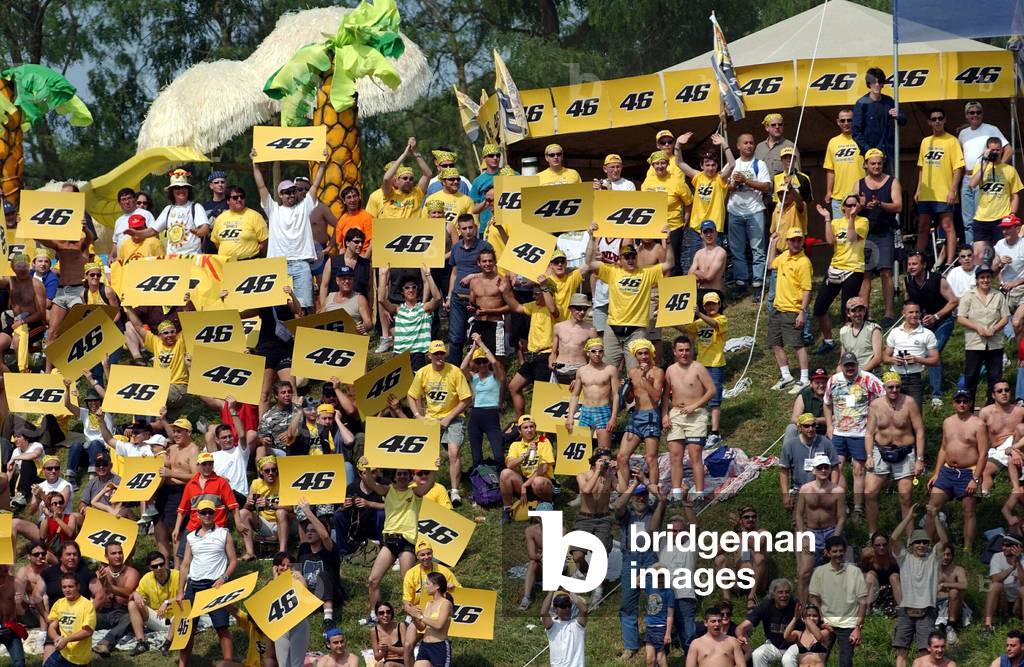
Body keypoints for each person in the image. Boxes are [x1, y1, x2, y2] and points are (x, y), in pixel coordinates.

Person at [251, 147, 327, 311]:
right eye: (286, 192)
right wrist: (255, 164)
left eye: (293, 191)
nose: (291, 195)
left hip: (301, 265)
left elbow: (315, 186)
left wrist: (322, 164)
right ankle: (284, 337)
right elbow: (262, 187)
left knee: (305, 307)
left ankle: (303, 337)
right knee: (281, 308)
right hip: (279, 266)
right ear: (280, 195)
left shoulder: (304, 207)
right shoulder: (273, 209)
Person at [583, 234, 674, 369]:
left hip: (636, 330)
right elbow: (589, 262)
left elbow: (670, 263)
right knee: (608, 370)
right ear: (620, 259)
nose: (630, 260)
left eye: (633, 256)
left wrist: (669, 241)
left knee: (635, 372)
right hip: (613, 328)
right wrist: (591, 238)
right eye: (626, 257)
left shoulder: (646, 273)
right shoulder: (612, 271)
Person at [362, 467, 436, 626]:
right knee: (373, 580)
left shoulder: (415, 492)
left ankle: (411, 616)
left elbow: (429, 483)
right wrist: (367, 467)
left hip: (407, 542)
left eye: (405, 474)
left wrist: (434, 468)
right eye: (399, 474)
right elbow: (369, 481)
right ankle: (374, 615)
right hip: (389, 541)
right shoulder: (388, 490)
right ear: (394, 477)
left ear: (409, 476)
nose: (402, 476)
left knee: (408, 582)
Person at [407, 340, 472, 505]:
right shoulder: (422, 373)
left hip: (454, 416)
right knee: (424, 454)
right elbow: (411, 395)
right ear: (429, 356)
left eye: (442, 353)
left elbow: (466, 399)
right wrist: (417, 415)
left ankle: (455, 491)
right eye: (435, 354)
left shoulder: (455, 372)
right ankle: (422, 487)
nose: (439, 357)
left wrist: (449, 418)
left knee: (453, 452)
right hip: (431, 418)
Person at [176, 499, 237, 666]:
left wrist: (223, 578)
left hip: (214, 586)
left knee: (222, 627)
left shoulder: (224, 533)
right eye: (204, 512)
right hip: (193, 586)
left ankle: (228, 663)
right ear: (198, 514)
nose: (207, 515)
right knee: (187, 629)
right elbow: (185, 565)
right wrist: (180, 591)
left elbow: (233, 561)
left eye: (210, 512)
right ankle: (182, 664)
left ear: (215, 513)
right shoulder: (190, 537)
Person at [865, 372, 926, 535]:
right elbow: (869, 433)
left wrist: (920, 459)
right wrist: (869, 456)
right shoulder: (876, 405)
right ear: (884, 387)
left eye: (897, 387)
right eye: (890, 387)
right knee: (869, 492)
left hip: (904, 452)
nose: (894, 390)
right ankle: (872, 534)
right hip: (880, 450)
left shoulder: (909, 403)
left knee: (905, 497)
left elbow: (919, 431)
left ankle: (910, 536)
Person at [926, 388, 988, 550]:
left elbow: (983, 454)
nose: (962, 404)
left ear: (970, 403)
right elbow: (943, 448)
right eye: (958, 401)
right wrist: (936, 473)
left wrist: (975, 478)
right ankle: (926, 545)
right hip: (947, 470)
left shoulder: (978, 424)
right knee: (932, 508)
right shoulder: (947, 422)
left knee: (968, 511)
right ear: (953, 403)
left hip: (969, 471)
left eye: (965, 401)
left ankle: (967, 549)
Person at [823, 351, 883, 517]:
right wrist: (829, 425)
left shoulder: (868, 379)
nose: (850, 368)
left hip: (861, 432)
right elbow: (827, 403)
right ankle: (839, 503)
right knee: (837, 467)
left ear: (857, 365)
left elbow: (884, 398)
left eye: (852, 365)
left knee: (858, 469)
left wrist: (876, 423)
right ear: (841, 366)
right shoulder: (833, 380)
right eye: (846, 365)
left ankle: (858, 507)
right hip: (839, 432)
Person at [615, 475, 666, 662]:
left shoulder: (655, 511)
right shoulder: (626, 514)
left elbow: (662, 499)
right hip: (630, 559)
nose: (640, 498)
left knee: (655, 600)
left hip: (650, 558)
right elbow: (617, 506)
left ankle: (658, 641)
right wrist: (634, 485)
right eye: (637, 496)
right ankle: (630, 645)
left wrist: (644, 481)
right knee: (628, 604)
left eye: (643, 495)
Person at [890, 506, 948, 667]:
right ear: (911, 544)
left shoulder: (933, 559)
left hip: (927, 611)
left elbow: (944, 541)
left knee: (925, 653)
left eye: (924, 542)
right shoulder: (904, 557)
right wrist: (908, 517)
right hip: (906, 610)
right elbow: (893, 539)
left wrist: (935, 516)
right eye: (918, 542)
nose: (922, 545)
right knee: (902, 652)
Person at [662, 335, 716, 502]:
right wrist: (664, 414)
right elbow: (665, 395)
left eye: (687, 350)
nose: (684, 353)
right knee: (675, 455)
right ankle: (677, 494)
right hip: (676, 414)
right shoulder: (670, 370)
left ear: (692, 350)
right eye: (681, 350)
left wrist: (696, 405)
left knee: (695, 454)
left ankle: (699, 494)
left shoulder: (698, 367)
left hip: (696, 415)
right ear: (675, 352)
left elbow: (712, 390)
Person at [812, 198, 868, 356]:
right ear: (843, 207)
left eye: (854, 205)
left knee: (847, 310)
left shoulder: (863, 221)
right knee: (819, 307)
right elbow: (830, 241)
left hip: (853, 268)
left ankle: (848, 347)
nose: (851, 207)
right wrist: (827, 219)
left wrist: (851, 218)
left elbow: (851, 237)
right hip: (835, 267)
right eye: (848, 205)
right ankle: (828, 340)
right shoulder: (836, 222)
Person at [903, 252, 959, 406]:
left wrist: (936, 316)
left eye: (914, 264)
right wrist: (916, 317)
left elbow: (954, 301)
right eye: (909, 264)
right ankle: (912, 389)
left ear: (923, 265)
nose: (911, 267)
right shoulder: (907, 280)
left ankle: (937, 395)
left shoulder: (937, 279)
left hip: (943, 321)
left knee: (933, 352)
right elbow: (908, 303)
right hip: (923, 323)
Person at [674, 132, 734, 274]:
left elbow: (732, 164)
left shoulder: (721, 178)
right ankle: (694, 293)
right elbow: (679, 163)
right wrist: (677, 144)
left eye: (713, 165)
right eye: (707, 165)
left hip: (715, 228)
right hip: (696, 228)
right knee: (694, 264)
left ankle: (713, 294)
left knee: (714, 265)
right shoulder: (697, 177)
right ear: (702, 165)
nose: (710, 168)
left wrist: (725, 145)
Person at [915, 108, 965, 269]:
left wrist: (953, 190)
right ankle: (917, 261)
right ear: (929, 122)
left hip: (944, 193)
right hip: (927, 193)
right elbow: (921, 168)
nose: (937, 121)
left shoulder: (952, 141)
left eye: (940, 118)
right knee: (922, 227)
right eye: (934, 119)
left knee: (948, 227)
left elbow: (958, 168)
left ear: (944, 120)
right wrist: (918, 189)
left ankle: (949, 263)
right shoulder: (925, 141)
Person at [857, 148, 902, 327]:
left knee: (886, 272)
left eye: (879, 163)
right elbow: (851, 207)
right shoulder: (859, 184)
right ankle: (864, 312)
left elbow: (898, 206)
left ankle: (889, 312)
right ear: (866, 165)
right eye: (873, 163)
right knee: (866, 274)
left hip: (885, 231)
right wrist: (861, 206)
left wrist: (881, 204)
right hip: (866, 232)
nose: (876, 166)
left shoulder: (891, 181)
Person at [501, 276, 558, 417]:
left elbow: (553, 309)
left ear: (546, 293)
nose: (533, 296)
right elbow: (516, 307)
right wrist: (505, 292)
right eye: (533, 293)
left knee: (542, 395)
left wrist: (544, 286)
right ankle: (522, 422)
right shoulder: (534, 306)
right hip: (531, 356)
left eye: (536, 293)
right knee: (513, 386)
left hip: (545, 355)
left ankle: (543, 430)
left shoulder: (555, 308)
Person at [808, 536, 867, 667]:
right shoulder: (819, 572)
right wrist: (821, 620)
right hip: (826, 624)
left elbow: (863, 601)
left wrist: (858, 627)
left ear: (845, 551)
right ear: (828, 553)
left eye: (841, 551)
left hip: (848, 625)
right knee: (817, 660)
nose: (838, 554)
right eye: (834, 551)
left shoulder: (855, 572)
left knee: (845, 663)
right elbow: (813, 597)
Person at [960, 101, 1013, 247]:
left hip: (985, 176)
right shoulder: (963, 133)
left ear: (982, 114)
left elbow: (1008, 149)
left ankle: (987, 254)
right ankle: (970, 253)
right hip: (967, 177)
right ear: (966, 115)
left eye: (978, 112)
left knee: (981, 217)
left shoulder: (991, 129)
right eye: (971, 113)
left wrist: (999, 167)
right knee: (968, 221)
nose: (975, 115)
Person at [568, 448, 615, 608]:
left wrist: (618, 471)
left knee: (600, 555)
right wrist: (598, 472)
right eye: (602, 460)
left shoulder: (610, 476)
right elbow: (586, 490)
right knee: (577, 556)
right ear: (594, 461)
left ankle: (598, 589)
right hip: (584, 519)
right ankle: (588, 575)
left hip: (603, 519)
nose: (605, 463)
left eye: (607, 460)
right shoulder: (582, 475)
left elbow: (622, 488)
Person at [726, 132, 771, 301]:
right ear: (738, 146)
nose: (749, 146)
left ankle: (758, 284)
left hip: (755, 211)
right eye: (745, 143)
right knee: (737, 251)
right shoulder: (732, 165)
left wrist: (746, 181)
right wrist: (734, 184)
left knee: (757, 250)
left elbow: (766, 186)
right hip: (735, 212)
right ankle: (741, 284)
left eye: (751, 142)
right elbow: (723, 186)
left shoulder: (760, 164)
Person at [766, 228, 812, 393]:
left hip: (793, 309)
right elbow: (771, 264)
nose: (795, 243)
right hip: (778, 308)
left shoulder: (804, 262)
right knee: (775, 343)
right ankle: (786, 376)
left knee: (797, 345)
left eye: (798, 240)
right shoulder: (784, 256)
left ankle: (805, 379)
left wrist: (802, 311)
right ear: (787, 241)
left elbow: (807, 289)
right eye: (792, 240)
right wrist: (772, 243)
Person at [795, 454, 845, 603]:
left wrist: (834, 539)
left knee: (835, 570)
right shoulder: (805, 489)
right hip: (811, 531)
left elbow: (841, 517)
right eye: (820, 468)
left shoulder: (837, 491)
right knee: (804, 572)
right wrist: (802, 536)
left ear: (830, 470)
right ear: (814, 470)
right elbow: (799, 514)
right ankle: (802, 607)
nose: (823, 470)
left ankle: (836, 603)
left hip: (830, 530)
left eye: (826, 467)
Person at [122, 312, 188, 422]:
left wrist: (186, 305)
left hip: (178, 388)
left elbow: (187, 323)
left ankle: (140, 424)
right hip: (165, 391)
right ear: (160, 335)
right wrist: (128, 308)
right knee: (163, 427)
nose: (170, 335)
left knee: (144, 396)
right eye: (165, 333)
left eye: (172, 332)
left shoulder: (180, 342)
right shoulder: (156, 343)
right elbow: (137, 326)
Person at [959, 265, 1010, 403]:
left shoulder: (998, 295)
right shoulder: (968, 295)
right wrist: (977, 327)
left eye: (988, 277)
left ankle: (992, 408)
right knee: (971, 377)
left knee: (995, 378)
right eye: (982, 277)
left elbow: (1005, 317)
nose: (985, 280)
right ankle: (968, 409)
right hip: (975, 342)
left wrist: (994, 329)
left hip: (995, 342)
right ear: (977, 279)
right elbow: (961, 317)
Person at [445, 214, 493, 359]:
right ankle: (455, 372)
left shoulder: (484, 246)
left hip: (479, 300)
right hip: (457, 298)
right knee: (455, 338)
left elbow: (493, 271)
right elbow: (454, 273)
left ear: (475, 228)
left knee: (479, 339)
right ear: (459, 230)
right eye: (464, 228)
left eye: (471, 227)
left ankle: (479, 372)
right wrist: (448, 296)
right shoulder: (456, 248)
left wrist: (473, 276)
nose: (468, 231)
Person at [402, 541, 460, 662]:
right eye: (422, 555)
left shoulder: (444, 571)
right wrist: (412, 613)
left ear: (432, 553)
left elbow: (461, 594)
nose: (426, 557)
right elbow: (406, 602)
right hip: (421, 613)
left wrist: (452, 588)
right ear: (417, 556)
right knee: (407, 645)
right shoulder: (411, 573)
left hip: (439, 612)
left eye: (429, 553)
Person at [617, 339, 665, 480]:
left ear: (651, 354)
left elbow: (656, 397)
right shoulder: (632, 372)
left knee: (651, 458)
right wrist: (625, 390)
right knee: (621, 456)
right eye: (640, 354)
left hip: (651, 415)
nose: (643, 357)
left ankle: (653, 493)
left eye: (646, 353)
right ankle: (624, 491)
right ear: (635, 356)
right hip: (636, 415)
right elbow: (630, 400)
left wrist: (644, 378)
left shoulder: (658, 372)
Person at [684, 292, 728, 444]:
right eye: (707, 304)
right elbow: (686, 331)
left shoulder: (722, 319)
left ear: (719, 305)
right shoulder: (699, 322)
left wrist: (699, 314)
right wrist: (667, 321)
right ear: (704, 306)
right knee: (699, 398)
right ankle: (699, 428)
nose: (711, 307)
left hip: (715, 364)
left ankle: (715, 432)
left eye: (713, 304)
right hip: (701, 365)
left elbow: (715, 325)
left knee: (714, 400)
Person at [969, 139, 1022, 264]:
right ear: (986, 150)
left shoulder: (1009, 170)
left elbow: (1015, 195)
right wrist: (986, 162)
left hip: (1002, 218)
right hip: (982, 217)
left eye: (998, 150)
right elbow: (972, 183)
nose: (995, 152)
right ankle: (981, 281)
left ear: (1002, 150)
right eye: (992, 150)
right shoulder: (980, 166)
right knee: (978, 255)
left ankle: (1000, 282)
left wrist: (1012, 215)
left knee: (1002, 256)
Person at [379, 266, 441, 371]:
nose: (411, 290)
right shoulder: (398, 309)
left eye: (414, 287)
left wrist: (428, 275)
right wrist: (384, 275)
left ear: (417, 289)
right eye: (407, 288)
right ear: (402, 291)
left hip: (419, 354)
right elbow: (381, 299)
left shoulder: (424, 308)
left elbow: (437, 298)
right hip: (400, 354)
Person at [883, 302, 940, 408]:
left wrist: (917, 360)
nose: (914, 315)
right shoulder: (895, 332)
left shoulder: (927, 334)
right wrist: (894, 360)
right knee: (895, 412)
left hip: (914, 378)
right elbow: (885, 357)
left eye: (917, 312)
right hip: (895, 376)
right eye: (911, 312)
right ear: (903, 313)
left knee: (915, 412)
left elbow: (935, 360)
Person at [295, 501, 342, 629]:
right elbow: (296, 570)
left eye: (313, 531)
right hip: (308, 595)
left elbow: (325, 537)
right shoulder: (303, 548)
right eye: (307, 531)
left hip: (329, 593)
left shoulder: (330, 549)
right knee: (294, 575)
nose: (309, 533)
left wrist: (307, 511)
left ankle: (328, 619)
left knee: (323, 574)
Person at [90, 541, 141, 658]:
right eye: (113, 553)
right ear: (106, 557)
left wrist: (110, 587)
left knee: (131, 619)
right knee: (85, 615)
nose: (118, 556)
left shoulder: (131, 573)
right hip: (103, 613)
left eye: (120, 553)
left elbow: (129, 592)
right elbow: (94, 595)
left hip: (122, 613)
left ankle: (106, 643)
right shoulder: (100, 574)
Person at [500, 415, 554, 523]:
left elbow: (543, 469)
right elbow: (509, 465)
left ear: (535, 428)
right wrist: (526, 454)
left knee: (537, 481)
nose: (529, 430)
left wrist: (525, 485)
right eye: (525, 427)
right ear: (519, 430)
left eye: (531, 427)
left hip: (542, 481)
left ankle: (548, 503)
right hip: (525, 481)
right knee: (505, 473)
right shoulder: (515, 445)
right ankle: (507, 510)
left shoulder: (544, 441)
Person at [461, 335, 505, 468]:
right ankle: (480, 480)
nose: (482, 365)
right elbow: (461, 369)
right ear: (474, 364)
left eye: (484, 361)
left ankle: (498, 476)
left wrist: (481, 343)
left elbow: (495, 362)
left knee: (498, 454)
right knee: (476, 457)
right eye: (478, 362)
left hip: (491, 414)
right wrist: (472, 349)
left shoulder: (496, 375)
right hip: (476, 415)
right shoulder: (473, 377)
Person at [567, 337, 619, 451]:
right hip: (586, 410)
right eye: (594, 351)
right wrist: (570, 416)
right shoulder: (581, 371)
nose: (597, 354)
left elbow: (616, 395)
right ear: (587, 353)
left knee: (604, 450)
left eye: (600, 351)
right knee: (582, 451)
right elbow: (575, 395)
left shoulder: (610, 369)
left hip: (603, 410)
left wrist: (613, 417)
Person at [779, 412, 838, 512]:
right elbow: (784, 471)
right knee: (799, 523)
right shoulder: (790, 445)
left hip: (822, 489)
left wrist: (832, 490)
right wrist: (785, 495)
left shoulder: (825, 443)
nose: (810, 429)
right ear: (800, 428)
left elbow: (835, 467)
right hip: (799, 490)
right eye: (806, 426)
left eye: (813, 425)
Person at [734, 578, 797, 667]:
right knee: (757, 654)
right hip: (774, 645)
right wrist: (740, 636)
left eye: (787, 592)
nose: (784, 595)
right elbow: (741, 627)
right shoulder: (766, 606)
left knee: (788, 660)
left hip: (794, 646)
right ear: (773, 594)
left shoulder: (796, 606)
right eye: (780, 592)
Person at [126, 551, 178, 657]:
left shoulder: (177, 575)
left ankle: (167, 644)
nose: (159, 568)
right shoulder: (146, 578)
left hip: (176, 618)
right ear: (150, 568)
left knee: (183, 608)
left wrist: (167, 602)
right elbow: (135, 596)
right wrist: (135, 593)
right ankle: (141, 643)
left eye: (161, 564)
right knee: (132, 604)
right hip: (158, 618)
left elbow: (186, 595)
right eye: (155, 566)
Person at [852, 67, 905, 167]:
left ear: (882, 84)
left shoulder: (889, 101)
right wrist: (869, 150)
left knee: (891, 181)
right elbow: (855, 132)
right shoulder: (861, 103)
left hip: (888, 153)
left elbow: (904, 119)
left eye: (879, 82)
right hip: (871, 155)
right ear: (869, 84)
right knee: (872, 182)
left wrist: (898, 115)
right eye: (873, 82)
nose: (876, 85)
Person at [981, 378, 1024, 495]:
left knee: (1020, 427)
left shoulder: (1020, 411)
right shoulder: (985, 413)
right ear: (993, 395)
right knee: (984, 470)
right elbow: (979, 436)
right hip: (998, 450)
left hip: (1019, 445)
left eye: (1006, 390)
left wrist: (1015, 448)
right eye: (999, 391)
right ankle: (984, 493)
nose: (1004, 393)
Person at [153, 169, 211, 257]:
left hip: (192, 258)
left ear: (188, 190)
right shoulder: (168, 209)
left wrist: (198, 232)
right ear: (171, 191)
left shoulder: (196, 207)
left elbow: (206, 228)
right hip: (172, 260)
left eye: (184, 187)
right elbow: (153, 230)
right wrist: (137, 233)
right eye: (177, 188)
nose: (181, 190)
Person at [43, 574, 95, 667]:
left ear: (78, 587)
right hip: (62, 653)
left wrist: (66, 640)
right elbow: (51, 627)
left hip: (78, 658)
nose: (67, 590)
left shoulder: (87, 605)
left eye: (70, 586)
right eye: (64, 587)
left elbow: (87, 632)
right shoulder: (59, 603)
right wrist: (56, 638)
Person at [823, 108, 865, 219]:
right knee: (840, 234)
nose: (846, 123)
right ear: (838, 122)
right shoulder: (833, 142)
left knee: (861, 234)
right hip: (839, 198)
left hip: (860, 196)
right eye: (843, 121)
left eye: (849, 120)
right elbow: (830, 169)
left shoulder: (863, 139)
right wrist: (828, 191)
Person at [210, 186, 268, 260]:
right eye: (235, 198)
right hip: (227, 264)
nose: (239, 199)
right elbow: (216, 242)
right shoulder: (220, 218)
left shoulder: (255, 216)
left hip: (250, 262)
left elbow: (264, 242)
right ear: (228, 200)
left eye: (242, 197)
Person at [409, 571, 453, 667]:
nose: (425, 586)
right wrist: (414, 616)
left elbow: (439, 625)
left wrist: (420, 617)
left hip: (439, 647)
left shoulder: (446, 603)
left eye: (428, 583)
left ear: (437, 586)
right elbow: (421, 627)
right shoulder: (429, 604)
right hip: (425, 645)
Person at [551, 293, 597, 385]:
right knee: (556, 398)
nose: (582, 312)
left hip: (579, 369)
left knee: (577, 399)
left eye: (585, 309)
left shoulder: (591, 330)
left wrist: (585, 373)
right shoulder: (558, 327)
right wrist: (551, 361)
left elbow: (596, 356)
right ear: (571, 309)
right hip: (559, 368)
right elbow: (553, 352)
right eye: (579, 308)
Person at [984, 533, 1024, 633]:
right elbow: (995, 579)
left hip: (1018, 602)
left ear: (1018, 547)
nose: (1004, 548)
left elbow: (1023, 583)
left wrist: (1018, 563)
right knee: (995, 586)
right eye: (1003, 545)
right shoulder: (997, 557)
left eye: (1008, 545)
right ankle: (987, 626)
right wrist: (1012, 567)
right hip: (1003, 600)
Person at [860, 531, 902, 616]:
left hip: (892, 582)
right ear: (873, 546)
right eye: (878, 545)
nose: (882, 547)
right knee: (870, 575)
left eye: (884, 544)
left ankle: (901, 607)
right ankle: (866, 609)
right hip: (875, 583)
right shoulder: (868, 556)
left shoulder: (893, 556)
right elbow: (863, 571)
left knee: (894, 576)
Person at [542, 590, 586, 667]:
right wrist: (551, 591)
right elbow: (543, 613)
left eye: (569, 605)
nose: (567, 609)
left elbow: (584, 610)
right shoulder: (552, 626)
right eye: (563, 605)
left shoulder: (577, 624)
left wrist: (570, 592)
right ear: (555, 609)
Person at [643, 565, 675, 667]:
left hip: (661, 628)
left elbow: (670, 614)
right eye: (658, 576)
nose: (661, 580)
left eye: (663, 577)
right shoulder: (649, 588)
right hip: (649, 628)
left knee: (661, 659)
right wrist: (650, 569)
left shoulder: (669, 592)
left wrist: (668, 633)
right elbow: (636, 582)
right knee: (649, 660)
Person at [838, 297, 882, 372]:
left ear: (864, 311)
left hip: (870, 372)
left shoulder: (873, 329)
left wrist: (861, 373)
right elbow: (843, 357)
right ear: (848, 313)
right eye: (853, 311)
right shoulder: (844, 331)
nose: (857, 314)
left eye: (860, 310)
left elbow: (877, 358)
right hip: (851, 372)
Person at [754, 113, 801, 181]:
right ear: (767, 128)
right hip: (762, 189)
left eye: (780, 124)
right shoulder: (759, 147)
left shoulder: (790, 146)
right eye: (773, 125)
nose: (777, 127)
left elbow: (797, 173)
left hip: (782, 189)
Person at [782, 602, 830, 667]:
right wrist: (795, 618)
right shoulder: (798, 634)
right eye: (808, 615)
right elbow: (786, 636)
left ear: (819, 618)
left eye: (815, 616)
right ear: (802, 619)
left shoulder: (825, 632)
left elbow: (819, 637)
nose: (812, 618)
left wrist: (806, 618)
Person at [936, 543, 966, 644]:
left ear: (952, 556)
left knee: (954, 591)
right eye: (943, 554)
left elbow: (964, 585)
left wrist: (945, 584)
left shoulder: (958, 569)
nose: (946, 557)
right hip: (935, 602)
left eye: (948, 554)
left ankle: (951, 626)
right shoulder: (932, 569)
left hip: (952, 603)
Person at [370, 601, 405, 667]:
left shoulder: (400, 626)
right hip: (387, 661)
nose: (385, 615)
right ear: (377, 615)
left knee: (389, 665)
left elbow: (406, 651)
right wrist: (383, 651)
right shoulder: (374, 631)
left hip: (403, 662)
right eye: (381, 613)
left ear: (391, 614)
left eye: (388, 612)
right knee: (378, 665)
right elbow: (377, 657)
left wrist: (389, 648)